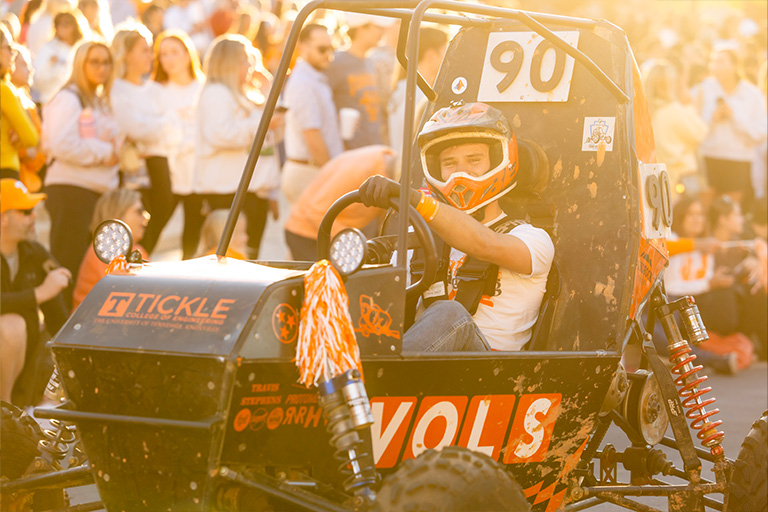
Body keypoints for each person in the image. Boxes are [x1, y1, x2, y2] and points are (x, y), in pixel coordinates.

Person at [359, 102, 555, 352]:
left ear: (499, 161)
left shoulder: (532, 239)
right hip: (431, 368)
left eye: (474, 160)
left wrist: (416, 201)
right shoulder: (418, 241)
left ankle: (381, 382)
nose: (460, 173)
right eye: (449, 163)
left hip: (493, 377)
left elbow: (484, 245)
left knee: (451, 313)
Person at [42, 39, 120, 304]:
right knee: (68, 264)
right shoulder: (68, 97)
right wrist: (105, 153)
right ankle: (55, 333)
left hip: (95, 192)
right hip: (71, 191)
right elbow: (63, 144)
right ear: (80, 63)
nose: (102, 68)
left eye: (106, 62)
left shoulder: (99, 101)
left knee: (89, 269)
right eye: (94, 61)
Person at [192, 34, 279, 259]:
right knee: (231, 258)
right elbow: (219, 134)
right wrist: (260, 124)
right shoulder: (216, 94)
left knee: (249, 256)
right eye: (243, 60)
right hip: (227, 191)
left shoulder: (244, 94)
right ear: (228, 63)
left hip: (251, 189)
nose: (250, 65)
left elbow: (275, 130)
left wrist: (268, 86)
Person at [110, 23, 180, 256]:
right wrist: (154, 128)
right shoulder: (116, 89)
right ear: (126, 53)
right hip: (133, 171)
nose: (151, 56)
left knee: (154, 226)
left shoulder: (156, 90)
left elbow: (174, 129)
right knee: (136, 230)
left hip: (160, 167)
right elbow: (133, 128)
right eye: (144, 50)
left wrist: (147, 132)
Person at [0, 179, 70, 404]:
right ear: (3, 219)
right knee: (13, 327)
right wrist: (39, 293)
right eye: (25, 212)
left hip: (25, 368)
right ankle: (5, 413)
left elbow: (58, 319)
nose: (33, 218)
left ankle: (14, 412)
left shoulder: (35, 253)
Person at [284, 145, 395, 261]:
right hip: (309, 234)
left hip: (328, 232)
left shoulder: (389, 162)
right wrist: (355, 241)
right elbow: (315, 212)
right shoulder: (360, 170)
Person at [692, 46, 767, 210]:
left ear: (734, 65)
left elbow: (761, 131)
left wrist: (734, 116)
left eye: (721, 62)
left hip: (738, 159)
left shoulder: (752, 94)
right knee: (706, 206)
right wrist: (712, 118)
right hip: (709, 156)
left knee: (730, 209)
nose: (715, 66)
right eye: (712, 62)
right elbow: (692, 126)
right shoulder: (702, 89)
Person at [151, 29, 204, 259]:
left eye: (174, 52)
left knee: (192, 237)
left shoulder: (203, 87)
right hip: (167, 176)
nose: (169, 59)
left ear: (187, 54)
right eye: (163, 54)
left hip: (198, 177)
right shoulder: (155, 91)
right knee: (153, 228)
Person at [280, 23, 342, 205]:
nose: (328, 55)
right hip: (309, 171)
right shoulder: (303, 83)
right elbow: (312, 136)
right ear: (303, 47)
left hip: (313, 169)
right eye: (322, 49)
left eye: (331, 49)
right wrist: (334, 174)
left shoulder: (313, 78)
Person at [641, 59, 708, 200]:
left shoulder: (645, 113)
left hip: (654, 180)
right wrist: (689, 105)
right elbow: (700, 133)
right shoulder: (674, 111)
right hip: (679, 180)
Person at [73, 187, 148, 308]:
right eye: (138, 211)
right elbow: (121, 298)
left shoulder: (138, 250)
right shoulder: (104, 251)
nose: (145, 218)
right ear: (118, 215)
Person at [325, 12, 388, 150]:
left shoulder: (371, 63)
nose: (382, 31)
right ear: (361, 28)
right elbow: (322, 104)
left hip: (373, 147)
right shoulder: (336, 62)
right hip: (349, 150)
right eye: (377, 27)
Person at [388, 26, 447, 167]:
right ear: (431, 55)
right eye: (445, 52)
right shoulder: (420, 94)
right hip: (412, 169)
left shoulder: (403, 88)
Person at [1, 25, 39, 181]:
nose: (12, 53)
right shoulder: (4, 90)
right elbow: (31, 138)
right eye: (8, 47)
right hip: (6, 170)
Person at [31, 9, 84, 104]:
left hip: (73, 102)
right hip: (46, 101)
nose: (62, 27)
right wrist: (51, 65)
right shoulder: (49, 48)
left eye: (67, 23)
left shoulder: (80, 50)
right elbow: (36, 79)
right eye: (59, 23)